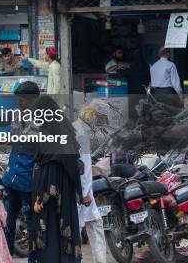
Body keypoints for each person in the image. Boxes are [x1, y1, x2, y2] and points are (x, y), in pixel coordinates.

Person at [29, 95, 82, 263]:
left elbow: (50, 172)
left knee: (51, 241)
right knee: (63, 241)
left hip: (52, 203)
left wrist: (39, 199)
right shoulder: (65, 131)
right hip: (66, 198)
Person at [2, 81, 40, 263]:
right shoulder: (16, 114)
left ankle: (32, 260)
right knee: (9, 220)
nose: (20, 103)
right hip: (12, 176)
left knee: (32, 223)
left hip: (28, 180)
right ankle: (7, 256)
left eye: (23, 100)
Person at [73, 100, 108, 263]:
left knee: (93, 223)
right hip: (81, 190)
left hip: (79, 189)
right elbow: (84, 169)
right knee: (81, 227)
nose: (102, 123)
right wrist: (85, 194)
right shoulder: (81, 134)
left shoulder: (76, 128)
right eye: (102, 119)